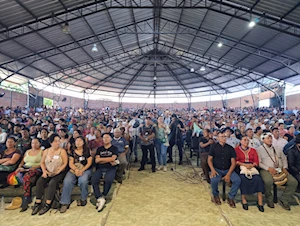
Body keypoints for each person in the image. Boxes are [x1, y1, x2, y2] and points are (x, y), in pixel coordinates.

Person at [257, 133, 298, 210]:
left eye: (270, 138)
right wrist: (268, 168)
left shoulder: (277, 148)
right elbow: (258, 163)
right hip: (266, 169)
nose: (270, 140)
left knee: (293, 182)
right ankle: (269, 199)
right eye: (267, 138)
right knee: (268, 181)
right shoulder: (259, 149)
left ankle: (284, 199)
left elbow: (284, 159)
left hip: (280, 169)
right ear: (263, 140)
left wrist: (285, 167)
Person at [31, 134, 68, 215]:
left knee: (52, 183)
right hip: (48, 171)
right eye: (56, 141)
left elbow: (65, 163)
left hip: (59, 172)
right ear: (51, 142)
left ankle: (48, 203)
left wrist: (58, 171)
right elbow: (42, 162)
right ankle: (38, 202)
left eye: (59, 141)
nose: (58, 143)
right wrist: (44, 171)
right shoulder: (46, 151)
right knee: (40, 182)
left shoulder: (62, 151)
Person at [208, 131, 241, 208]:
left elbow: (233, 162)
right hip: (217, 169)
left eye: (225, 137)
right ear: (218, 138)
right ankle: (215, 195)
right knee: (214, 180)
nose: (224, 138)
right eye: (222, 137)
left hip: (228, 169)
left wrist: (228, 174)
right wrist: (212, 170)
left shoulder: (230, 148)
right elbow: (209, 159)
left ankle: (231, 197)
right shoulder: (214, 147)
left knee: (237, 180)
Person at [60, 136, 92, 213]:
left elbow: (89, 163)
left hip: (85, 169)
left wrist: (82, 170)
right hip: (74, 169)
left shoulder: (87, 151)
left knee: (83, 180)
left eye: (80, 141)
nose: (78, 142)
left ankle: (83, 198)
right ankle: (65, 202)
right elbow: (70, 163)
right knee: (67, 181)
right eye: (77, 141)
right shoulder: (72, 151)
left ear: (83, 142)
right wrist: (76, 170)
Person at [235, 136, 264, 212]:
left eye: (247, 140)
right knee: (243, 179)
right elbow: (236, 161)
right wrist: (244, 165)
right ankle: (244, 199)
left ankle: (260, 201)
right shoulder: (236, 150)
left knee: (258, 179)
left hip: (252, 167)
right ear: (241, 141)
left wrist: (252, 165)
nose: (246, 142)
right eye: (244, 140)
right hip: (241, 167)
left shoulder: (253, 150)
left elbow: (256, 161)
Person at [91, 133, 118, 212]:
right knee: (94, 180)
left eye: (107, 137)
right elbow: (96, 160)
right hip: (100, 168)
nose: (105, 139)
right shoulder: (100, 149)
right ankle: (99, 197)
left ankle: (104, 195)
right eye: (104, 138)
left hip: (111, 168)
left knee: (108, 180)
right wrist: (109, 160)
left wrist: (101, 160)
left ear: (110, 139)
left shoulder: (114, 148)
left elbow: (113, 158)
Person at [15, 138, 43, 212]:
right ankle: (27, 190)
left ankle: (26, 197)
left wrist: (35, 167)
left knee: (27, 177)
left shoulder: (42, 151)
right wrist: (19, 167)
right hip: (25, 167)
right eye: (33, 143)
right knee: (17, 175)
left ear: (40, 143)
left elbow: (43, 162)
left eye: (36, 143)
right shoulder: (27, 151)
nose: (34, 144)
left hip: (36, 168)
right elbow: (22, 162)